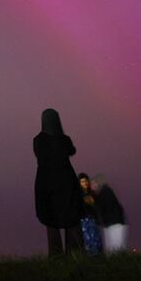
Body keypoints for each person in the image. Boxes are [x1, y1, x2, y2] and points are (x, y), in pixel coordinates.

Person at [33, 109, 84, 256]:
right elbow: (72, 151)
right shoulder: (64, 139)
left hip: (46, 182)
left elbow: (40, 154)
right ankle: (72, 253)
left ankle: (55, 255)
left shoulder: (38, 140)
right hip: (66, 182)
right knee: (71, 218)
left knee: (51, 219)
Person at [90, 174, 128, 254]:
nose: (91, 185)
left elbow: (105, 208)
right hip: (111, 224)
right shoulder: (103, 192)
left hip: (114, 224)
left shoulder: (105, 192)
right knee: (112, 250)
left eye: (93, 183)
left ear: (98, 183)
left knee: (116, 250)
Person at [77, 174, 103, 256]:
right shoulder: (79, 195)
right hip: (83, 221)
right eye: (82, 181)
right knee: (87, 242)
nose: (85, 183)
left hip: (93, 221)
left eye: (86, 181)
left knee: (96, 240)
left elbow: (98, 207)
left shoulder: (93, 194)